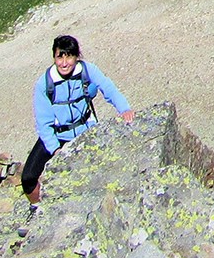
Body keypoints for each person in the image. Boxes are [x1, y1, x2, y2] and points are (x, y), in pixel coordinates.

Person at [20, 34, 134, 204]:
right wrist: (55, 150)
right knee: (28, 178)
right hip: (57, 136)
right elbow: (43, 124)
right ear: (54, 57)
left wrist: (124, 109)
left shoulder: (87, 70)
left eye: (69, 56)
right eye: (60, 57)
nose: (64, 63)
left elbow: (108, 88)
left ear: (76, 57)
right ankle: (37, 210)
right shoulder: (44, 84)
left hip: (85, 131)